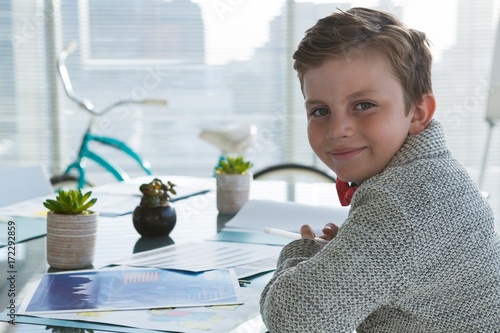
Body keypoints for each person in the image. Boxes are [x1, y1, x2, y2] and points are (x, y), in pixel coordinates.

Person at [260, 7, 500, 332]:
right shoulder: (434, 173)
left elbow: (296, 321)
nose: (337, 129)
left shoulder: (398, 203)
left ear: (417, 113)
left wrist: (299, 254)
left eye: (363, 105)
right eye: (320, 110)